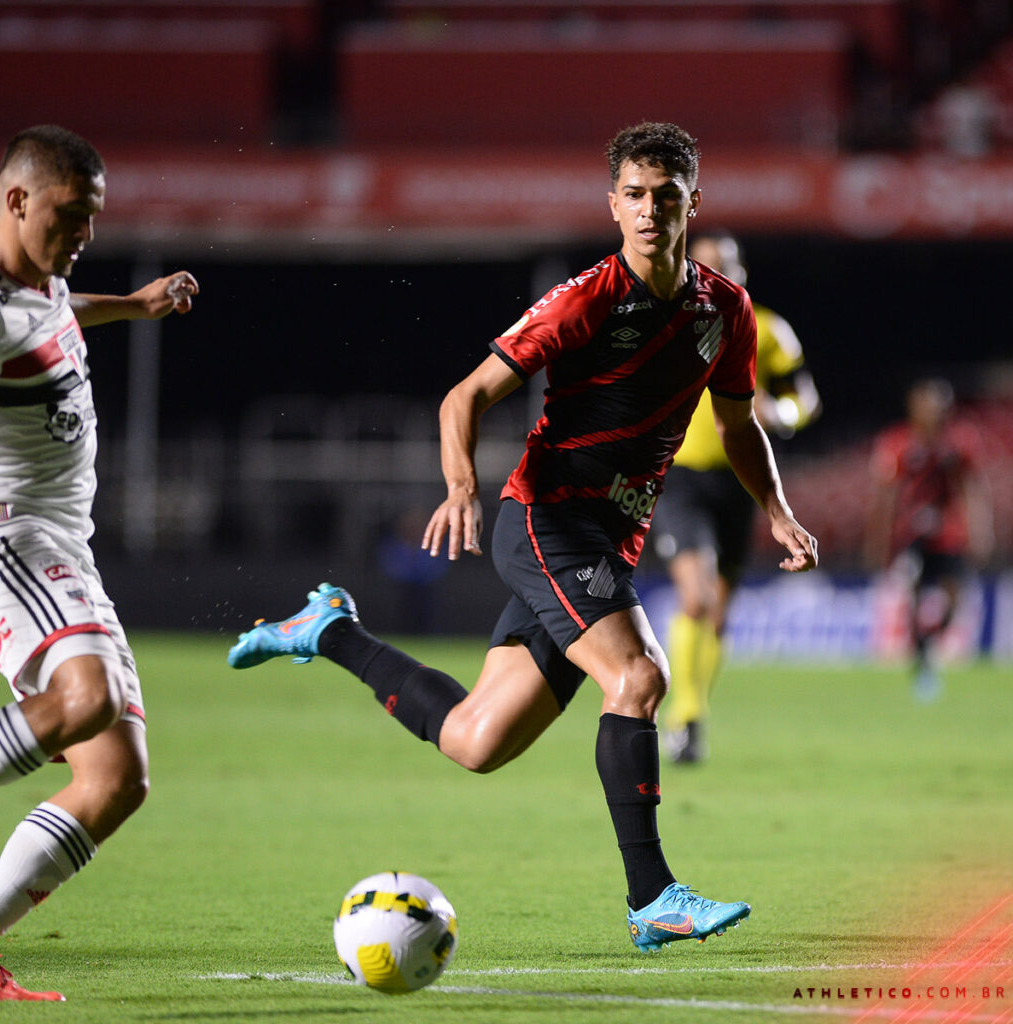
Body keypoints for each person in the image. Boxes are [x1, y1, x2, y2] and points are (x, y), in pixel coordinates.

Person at [228, 122, 817, 953]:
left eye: (667, 196)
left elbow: (738, 424)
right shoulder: (588, 299)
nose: (651, 211)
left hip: (609, 541)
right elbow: (463, 397)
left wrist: (776, 510)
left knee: (476, 741)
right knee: (640, 677)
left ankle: (331, 630)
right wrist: (462, 487)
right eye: (636, 196)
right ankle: (652, 899)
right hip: (546, 521)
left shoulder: (725, 310)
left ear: (694, 202)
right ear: (613, 204)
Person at [0, 125, 198, 1000]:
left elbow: (56, 316)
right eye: (70, 216)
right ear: (16, 201)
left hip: (66, 547)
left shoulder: (46, 287)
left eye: (93, 219)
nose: (82, 234)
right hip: (12, 538)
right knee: (87, 698)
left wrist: (135, 307)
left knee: (115, 780)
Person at [649, 232, 821, 763]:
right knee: (696, 599)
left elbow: (804, 399)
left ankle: (691, 714)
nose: (715, 274)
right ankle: (686, 718)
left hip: (741, 482)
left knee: (718, 615)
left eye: (725, 266)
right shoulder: (663, 324)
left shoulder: (767, 329)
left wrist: (782, 415)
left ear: (741, 272)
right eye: (703, 266)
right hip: (678, 477)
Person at [864, 378, 992, 700]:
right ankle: (922, 659)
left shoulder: (959, 444)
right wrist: (880, 542)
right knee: (915, 595)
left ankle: (931, 641)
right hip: (911, 532)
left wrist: (979, 530)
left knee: (955, 600)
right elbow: (887, 498)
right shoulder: (898, 443)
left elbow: (970, 490)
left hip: (948, 531)